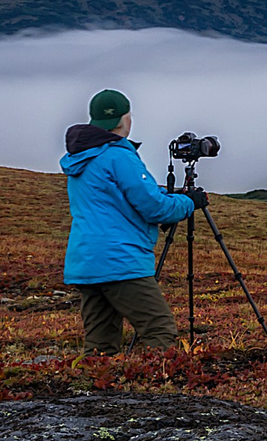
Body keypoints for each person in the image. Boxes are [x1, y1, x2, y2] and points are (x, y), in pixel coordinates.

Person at [60, 88, 203, 352]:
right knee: (159, 329)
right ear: (125, 119)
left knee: (100, 342)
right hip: (120, 261)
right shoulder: (118, 155)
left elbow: (116, 198)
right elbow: (155, 209)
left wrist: (163, 194)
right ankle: (161, 386)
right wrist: (189, 202)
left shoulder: (81, 157)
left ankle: (93, 390)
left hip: (87, 263)